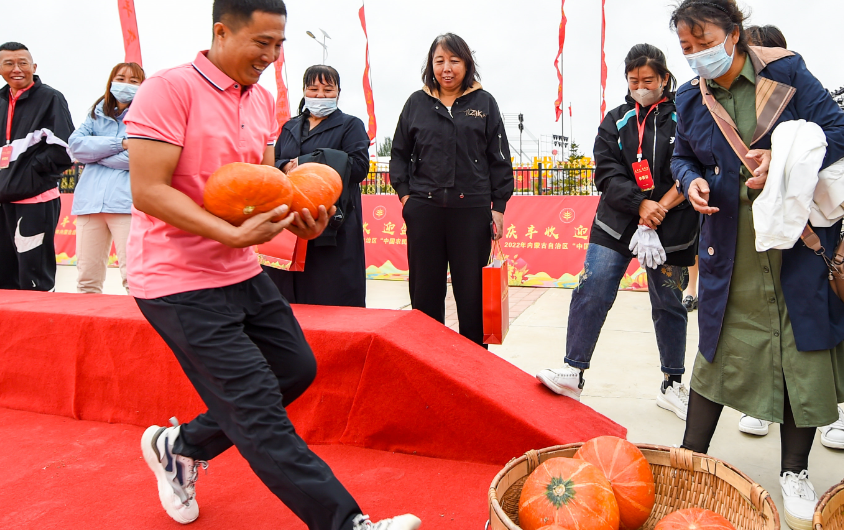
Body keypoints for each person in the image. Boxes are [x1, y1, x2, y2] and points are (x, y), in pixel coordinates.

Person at [125, 0, 418, 530]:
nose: (272, 54)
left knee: (295, 368)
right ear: (221, 31)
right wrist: (231, 231)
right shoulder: (168, 88)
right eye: (262, 41)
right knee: (256, 410)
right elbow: (149, 190)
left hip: (237, 269)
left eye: (279, 43)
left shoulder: (259, 102)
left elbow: (254, 187)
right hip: (176, 281)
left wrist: (298, 218)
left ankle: (181, 447)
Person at [670, 0, 844, 530]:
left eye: (703, 41)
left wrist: (783, 159)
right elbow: (683, 155)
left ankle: (795, 473)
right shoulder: (690, 98)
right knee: (717, 351)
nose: (695, 54)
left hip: (796, 245)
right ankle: (690, 461)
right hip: (730, 246)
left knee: (800, 353)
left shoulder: (789, 75)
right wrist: (692, 180)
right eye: (686, 46)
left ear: (734, 34)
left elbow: (841, 134)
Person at [537, 45, 698, 417]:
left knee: (670, 303)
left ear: (664, 78)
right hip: (617, 222)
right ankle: (573, 372)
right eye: (634, 80)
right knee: (593, 289)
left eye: (649, 80)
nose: (641, 87)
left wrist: (661, 208)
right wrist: (639, 204)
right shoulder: (616, 119)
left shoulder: (684, 116)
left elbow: (692, 164)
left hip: (671, 223)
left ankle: (672, 383)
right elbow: (606, 171)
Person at [731, 22, 844, 449]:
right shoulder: (725, 101)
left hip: (809, 226)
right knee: (765, 323)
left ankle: (833, 410)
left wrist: (785, 158)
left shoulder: (800, 89)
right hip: (757, 230)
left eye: (770, 55)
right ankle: (763, 403)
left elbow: (841, 135)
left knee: (814, 321)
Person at [390, 34, 514, 347]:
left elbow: (499, 159)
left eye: (454, 61)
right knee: (425, 294)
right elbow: (399, 154)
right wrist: (407, 199)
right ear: (431, 65)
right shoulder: (416, 103)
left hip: (471, 213)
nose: (447, 68)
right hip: (425, 211)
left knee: (472, 296)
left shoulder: (484, 103)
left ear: (466, 64)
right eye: (440, 61)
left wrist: (498, 207)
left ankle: (473, 370)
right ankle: (428, 363)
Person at [264, 65, 370, 307]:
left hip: (332, 220)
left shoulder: (350, 125)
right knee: (286, 296)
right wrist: (286, 166)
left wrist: (304, 162)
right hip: (290, 221)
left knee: (330, 293)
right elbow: (273, 161)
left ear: (338, 92)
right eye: (313, 89)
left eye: (327, 89)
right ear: (304, 91)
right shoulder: (289, 127)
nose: (320, 95)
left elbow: (358, 167)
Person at [0, 42, 74, 291]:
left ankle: (40, 327)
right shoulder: (0, 101)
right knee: (2, 273)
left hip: (35, 200)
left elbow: (65, 148)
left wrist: (29, 173)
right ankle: (2, 328)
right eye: (9, 63)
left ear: (34, 66)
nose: (16, 68)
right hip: (3, 199)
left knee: (33, 277)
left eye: (23, 62)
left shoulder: (50, 98)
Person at [69, 62, 144, 293]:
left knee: (133, 277)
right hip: (89, 205)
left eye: (134, 81)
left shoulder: (146, 115)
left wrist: (95, 155)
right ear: (111, 81)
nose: (125, 85)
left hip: (126, 204)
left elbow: (140, 157)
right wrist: (120, 143)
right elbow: (75, 146)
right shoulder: (95, 113)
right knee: (86, 278)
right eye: (121, 78)